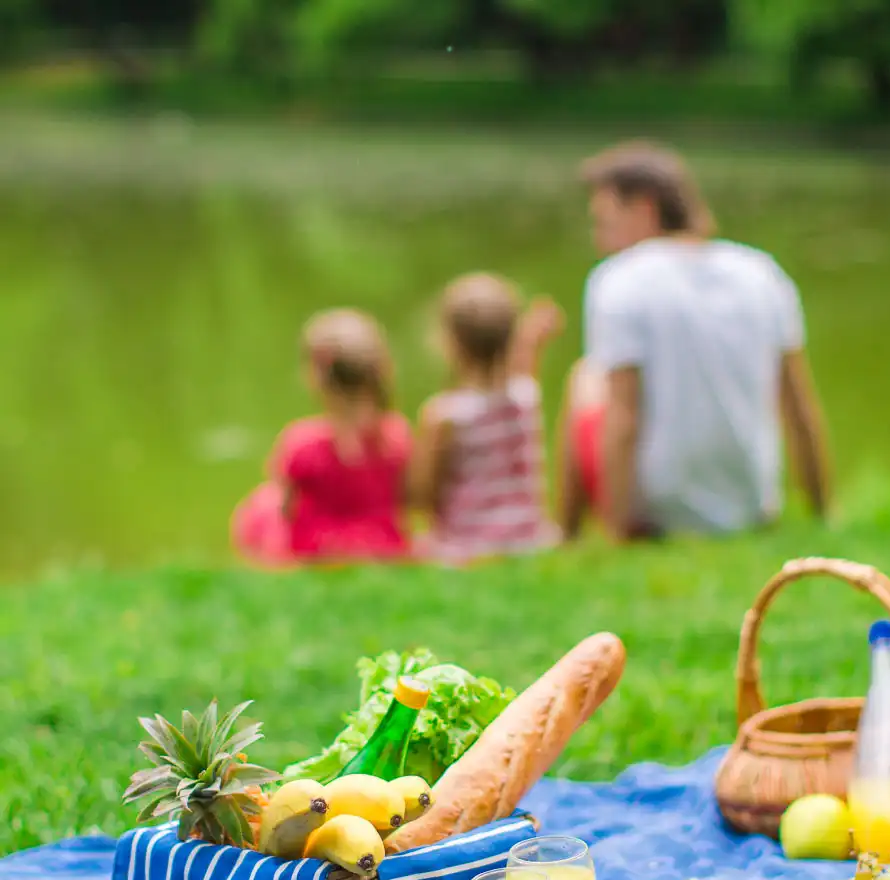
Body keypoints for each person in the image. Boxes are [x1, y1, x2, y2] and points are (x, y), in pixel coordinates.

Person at [559, 141, 832, 542]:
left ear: (644, 208)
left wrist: (616, 534)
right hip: (753, 506)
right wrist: (824, 510)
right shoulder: (760, 271)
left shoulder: (618, 279)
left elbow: (623, 419)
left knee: (584, 377)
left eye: (606, 222)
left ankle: (567, 535)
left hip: (659, 513)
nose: (601, 240)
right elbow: (798, 405)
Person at [232, 309, 412, 566]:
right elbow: (405, 500)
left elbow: (286, 508)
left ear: (315, 378)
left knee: (260, 505)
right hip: (383, 543)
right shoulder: (397, 434)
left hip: (317, 548)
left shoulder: (302, 442)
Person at [409, 273, 563, 564]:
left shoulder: (445, 415)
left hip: (467, 545)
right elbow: (521, 370)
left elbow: (421, 497)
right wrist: (533, 341)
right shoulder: (526, 397)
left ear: (449, 342)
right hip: (529, 540)